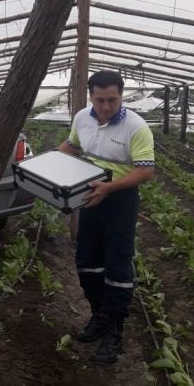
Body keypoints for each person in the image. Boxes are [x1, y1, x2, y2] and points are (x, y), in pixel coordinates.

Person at [58, 70, 155, 365]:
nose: (105, 106)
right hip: (89, 196)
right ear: (90, 97)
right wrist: (48, 164)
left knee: (118, 264)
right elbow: (71, 146)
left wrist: (110, 187)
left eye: (112, 100)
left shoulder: (136, 127)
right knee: (87, 261)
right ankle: (98, 315)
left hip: (119, 199)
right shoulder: (82, 118)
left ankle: (115, 328)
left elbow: (146, 171)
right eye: (99, 100)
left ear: (121, 96)